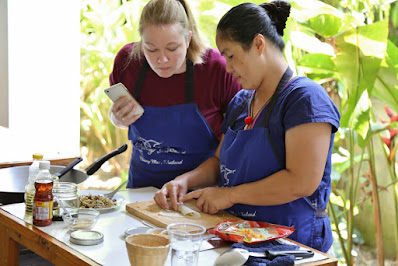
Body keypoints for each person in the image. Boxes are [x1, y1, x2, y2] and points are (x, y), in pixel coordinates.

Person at [154, 1, 340, 253]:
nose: (228, 68)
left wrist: (229, 195)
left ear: (259, 44)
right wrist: (184, 181)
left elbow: (302, 182)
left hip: (293, 246)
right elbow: (219, 162)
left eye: (231, 56)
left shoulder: (305, 100)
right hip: (240, 241)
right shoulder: (242, 102)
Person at [109, 0, 240, 189]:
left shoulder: (216, 68)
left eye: (172, 48)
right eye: (151, 49)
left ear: (188, 39)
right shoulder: (128, 62)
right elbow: (116, 114)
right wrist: (117, 118)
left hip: (200, 192)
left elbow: (237, 137)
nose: (162, 59)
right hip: (142, 190)